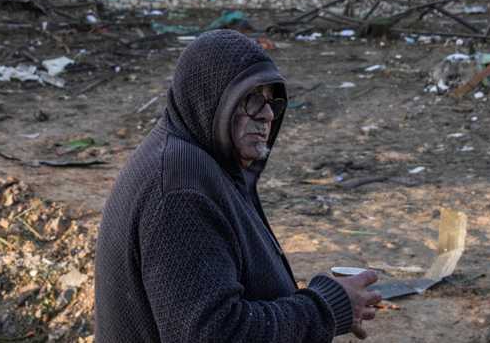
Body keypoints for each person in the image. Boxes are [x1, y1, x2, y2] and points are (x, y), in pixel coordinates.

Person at [95, 30, 381, 342]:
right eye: (251, 99)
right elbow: (214, 334)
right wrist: (327, 307)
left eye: (272, 100)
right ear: (209, 100)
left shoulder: (201, 164)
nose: (268, 115)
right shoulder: (179, 189)